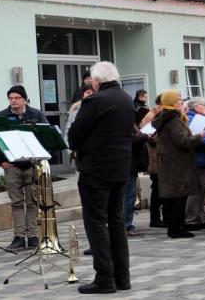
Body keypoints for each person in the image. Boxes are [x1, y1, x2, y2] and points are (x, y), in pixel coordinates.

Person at [68, 62, 134, 294]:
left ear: (96, 81)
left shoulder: (95, 100)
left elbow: (74, 136)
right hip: (121, 168)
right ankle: (122, 278)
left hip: (96, 170)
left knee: (96, 223)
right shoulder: (127, 99)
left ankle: (105, 279)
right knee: (116, 222)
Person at [0, 85, 49, 251]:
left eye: (17, 98)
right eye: (11, 98)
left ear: (24, 99)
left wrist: (40, 159)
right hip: (12, 165)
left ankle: (32, 236)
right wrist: (1, 162)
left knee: (32, 202)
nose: (13, 101)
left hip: (31, 164)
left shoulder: (36, 115)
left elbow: (47, 137)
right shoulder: (1, 117)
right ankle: (18, 236)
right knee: (16, 202)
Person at [153, 90, 204, 239]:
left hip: (171, 163)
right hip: (177, 164)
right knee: (178, 197)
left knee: (173, 197)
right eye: (179, 100)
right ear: (172, 103)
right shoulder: (174, 120)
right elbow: (183, 141)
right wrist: (198, 137)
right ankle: (177, 229)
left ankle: (174, 227)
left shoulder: (167, 118)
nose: (182, 102)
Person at [185, 97, 205, 231]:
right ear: (195, 106)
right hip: (198, 158)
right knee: (196, 191)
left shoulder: (200, 118)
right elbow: (196, 138)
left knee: (201, 191)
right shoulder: (192, 119)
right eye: (203, 105)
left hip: (204, 158)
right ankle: (191, 219)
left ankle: (200, 218)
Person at [142, 94, 166, 228]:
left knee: (159, 188)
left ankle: (158, 216)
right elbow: (149, 138)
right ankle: (155, 218)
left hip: (158, 158)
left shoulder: (157, 115)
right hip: (155, 159)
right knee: (157, 189)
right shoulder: (151, 117)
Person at [64, 82, 95, 147]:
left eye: (93, 93)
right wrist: (72, 153)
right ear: (83, 95)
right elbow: (68, 134)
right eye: (88, 92)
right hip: (79, 151)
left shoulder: (100, 109)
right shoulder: (75, 110)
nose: (90, 95)